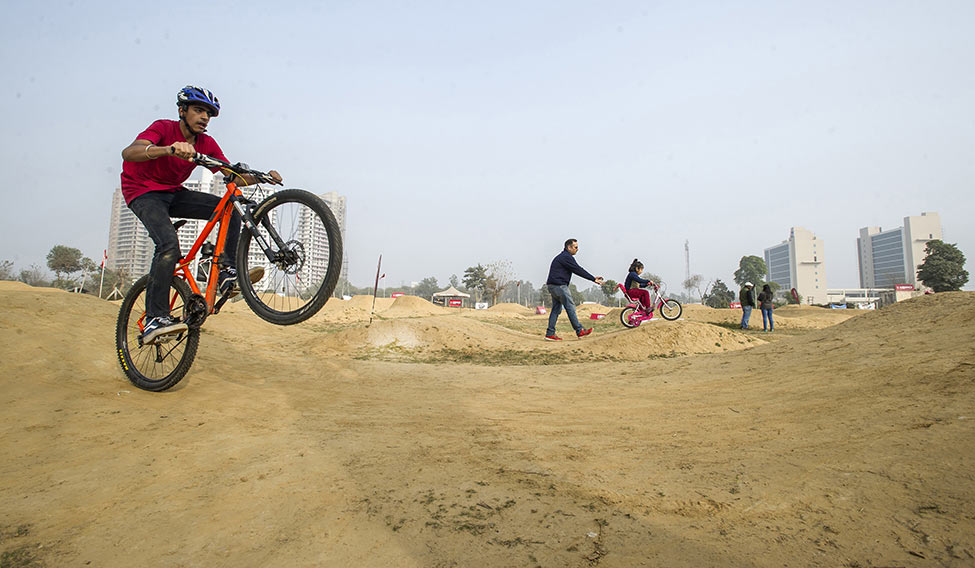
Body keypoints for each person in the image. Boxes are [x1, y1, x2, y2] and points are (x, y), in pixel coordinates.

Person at [121, 85, 282, 344]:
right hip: (142, 193)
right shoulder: (163, 128)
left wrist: (262, 178)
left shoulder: (206, 143)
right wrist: (168, 149)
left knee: (226, 206)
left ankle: (226, 271)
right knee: (168, 247)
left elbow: (232, 176)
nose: (204, 117)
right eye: (198, 111)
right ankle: (154, 318)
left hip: (173, 193)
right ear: (182, 111)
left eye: (208, 114)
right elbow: (129, 152)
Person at [544, 239, 604, 340]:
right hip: (560, 286)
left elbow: (576, 269)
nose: (577, 249)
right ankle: (579, 330)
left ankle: (550, 333)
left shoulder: (562, 257)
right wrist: (593, 278)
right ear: (569, 247)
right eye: (575, 247)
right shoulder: (566, 257)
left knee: (555, 310)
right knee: (570, 307)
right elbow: (578, 269)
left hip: (552, 286)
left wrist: (592, 278)